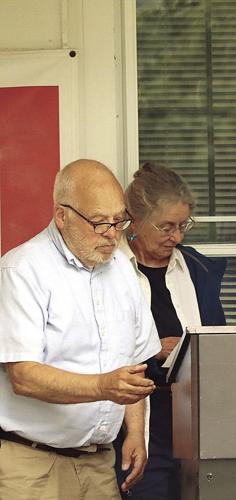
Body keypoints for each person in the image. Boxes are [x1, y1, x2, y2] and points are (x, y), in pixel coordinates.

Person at [0, 159, 161, 500]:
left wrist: (135, 431)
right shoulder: (22, 270)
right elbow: (23, 376)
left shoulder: (122, 270)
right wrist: (103, 386)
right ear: (62, 216)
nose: (113, 235)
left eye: (120, 221)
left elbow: (132, 364)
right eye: (100, 223)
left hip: (100, 461)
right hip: (30, 464)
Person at [113, 162, 226, 499]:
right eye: (165, 227)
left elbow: (218, 340)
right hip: (135, 419)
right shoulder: (110, 272)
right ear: (134, 221)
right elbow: (90, 348)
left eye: (182, 225)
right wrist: (152, 348)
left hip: (195, 415)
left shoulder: (197, 268)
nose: (176, 237)